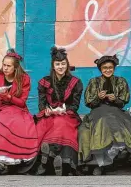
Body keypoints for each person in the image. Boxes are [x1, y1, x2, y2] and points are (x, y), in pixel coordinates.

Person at [78, 55, 131, 175]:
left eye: (110, 67)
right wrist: (98, 98)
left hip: (116, 111)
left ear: (114, 68)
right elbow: (89, 103)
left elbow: (122, 102)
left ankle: (106, 162)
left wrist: (115, 99)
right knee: (101, 122)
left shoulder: (121, 81)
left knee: (115, 122)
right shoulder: (94, 82)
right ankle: (101, 162)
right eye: (105, 67)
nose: (108, 70)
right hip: (98, 111)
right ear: (100, 69)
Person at [35, 47, 83, 176]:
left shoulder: (75, 82)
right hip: (49, 114)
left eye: (63, 64)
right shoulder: (45, 81)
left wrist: (64, 109)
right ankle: (46, 159)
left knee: (61, 123)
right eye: (57, 64)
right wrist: (47, 110)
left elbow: (75, 105)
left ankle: (51, 157)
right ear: (53, 66)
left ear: (67, 65)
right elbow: (41, 104)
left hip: (67, 114)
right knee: (42, 126)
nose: (60, 67)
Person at [0, 49, 38, 175]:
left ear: (15, 67)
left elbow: (22, 102)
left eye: (9, 66)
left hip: (19, 109)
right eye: (4, 65)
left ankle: (10, 161)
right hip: (2, 108)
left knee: (16, 124)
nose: (5, 68)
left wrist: (9, 97)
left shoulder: (24, 79)